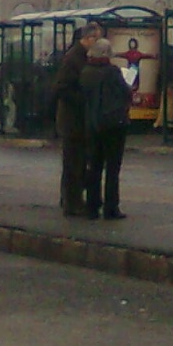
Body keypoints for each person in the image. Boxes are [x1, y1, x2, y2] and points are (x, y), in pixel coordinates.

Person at [80, 38, 133, 219]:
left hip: (93, 124)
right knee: (112, 168)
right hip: (113, 125)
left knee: (94, 166)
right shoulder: (113, 72)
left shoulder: (86, 72)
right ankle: (111, 207)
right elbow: (126, 93)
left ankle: (92, 206)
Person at [53, 21, 101, 216]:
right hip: (72, 119)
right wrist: (84, 98)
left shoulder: (83, 57)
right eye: (96, 39)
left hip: (78, 119)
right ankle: (72, 203)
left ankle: (69, 198)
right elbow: (61, 87)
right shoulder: (73, 58)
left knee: (77, 161)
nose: (98, 43)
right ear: (87, 39)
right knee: (74, 162)